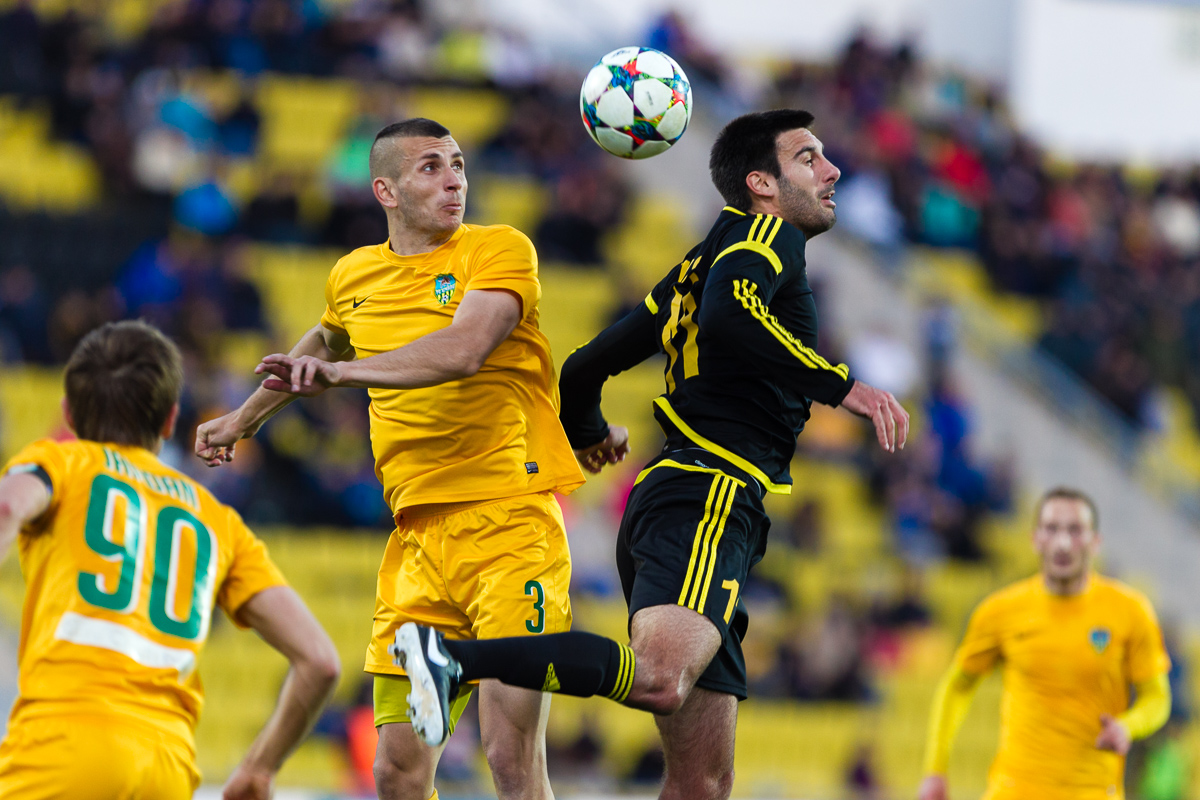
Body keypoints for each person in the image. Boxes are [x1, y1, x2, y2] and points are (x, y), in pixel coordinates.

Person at [393, 108, 910, 800]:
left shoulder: (696, 266)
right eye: (809, 158)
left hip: (682, 497)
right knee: (661, 680)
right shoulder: (766, 237)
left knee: (702, 785)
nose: (833, 170)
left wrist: (588, 432)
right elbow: (732, 314)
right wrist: (842, 385)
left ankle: (453, 658)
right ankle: (450, 659)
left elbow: (584, 367)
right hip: (709, 494)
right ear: (761, 184)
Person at [194, 117, 585, 800]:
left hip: (509, 524)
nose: (454, 180)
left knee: (509, 756)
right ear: (386, 190)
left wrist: (343, 376)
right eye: (431, 166)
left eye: (458, 164)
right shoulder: (353, 274)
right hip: (415, 541)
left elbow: (464, 349)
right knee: (397, 773)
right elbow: (323, 341)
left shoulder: (498, 249)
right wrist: (241, 420)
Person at [0, 320, 340, 800]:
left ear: (68, 415)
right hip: (168, 767)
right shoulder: (217, 519)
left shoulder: (64, 462)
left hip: (61, 748)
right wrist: (259, 768)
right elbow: (321, 662)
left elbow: (8, 506)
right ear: (169, 420)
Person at [917, 487, 1172, 800]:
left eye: (1075, 530)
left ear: (1095, 541)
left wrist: (1128, 726)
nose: (1062, 543)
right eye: (1052, 529)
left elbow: (1157, 698)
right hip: (1013, 791)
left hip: (1092, 792)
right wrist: (935, 769)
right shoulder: (1000, 611)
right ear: (1035, 539)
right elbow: (957, 686)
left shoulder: (1130, 611)